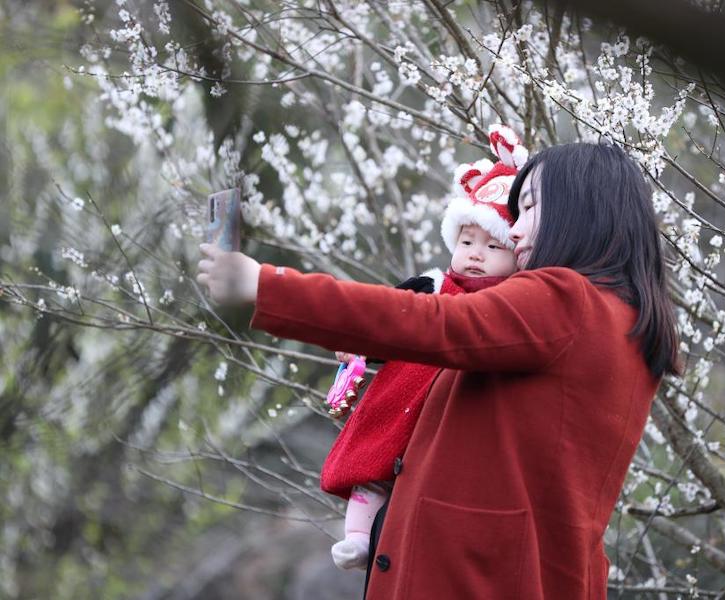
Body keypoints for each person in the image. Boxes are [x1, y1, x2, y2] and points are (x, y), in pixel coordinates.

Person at [197, 141, 682, 600]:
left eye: (529, 209)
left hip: (472, 579)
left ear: (580, 213)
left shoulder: (566, 300)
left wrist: (263, 283)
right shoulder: (625, 322)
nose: (512, 231)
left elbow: (432, 323)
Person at [324, 125, 528, 571]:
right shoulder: (432, 286)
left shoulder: (514, 306)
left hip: (448, 411)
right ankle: (358, 535)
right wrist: (356, 347)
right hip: (402, 395)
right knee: (372, 469)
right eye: (467, 242)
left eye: (493, 245)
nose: (476, 253)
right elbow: (385, 320)